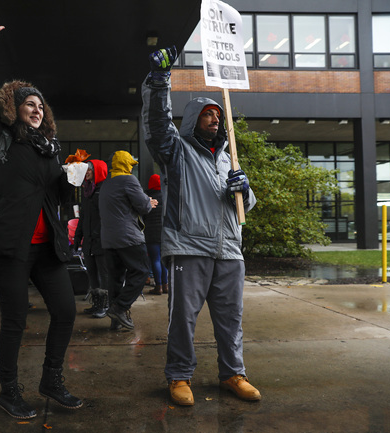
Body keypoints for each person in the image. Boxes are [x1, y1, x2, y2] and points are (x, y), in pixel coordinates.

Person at [0, 22, 82, 420]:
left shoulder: (49, 150)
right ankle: (9, 391)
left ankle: (51, 379)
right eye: (28, 103)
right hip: (8, 246)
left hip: (46, 247)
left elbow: (55, 199)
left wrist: (71, 182)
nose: (36, 109)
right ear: (14, 108)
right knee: (15, 320)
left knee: (65, 311)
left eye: (40, 105)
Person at [141, 46, 261, 405]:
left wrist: (245, 190)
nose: (214, 119)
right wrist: (160, 81)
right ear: (193, 119)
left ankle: (233, 373)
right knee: (183, 319)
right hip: (189, 248)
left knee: (231, 320)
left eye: (217, 115)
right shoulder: (176, 152)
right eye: (207, 114)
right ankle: (179, 376)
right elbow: (157, 124)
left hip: (229, 251)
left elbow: (244, 207)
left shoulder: (228, 158)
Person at [98, 150, 157, 330]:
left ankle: (115, 322)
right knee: (141, 272)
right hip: (128, 237)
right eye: (130, 165)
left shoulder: (106, 184)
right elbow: (143, 206)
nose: (131, 168)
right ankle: (119, 308)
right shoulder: (128, 180)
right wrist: (150, 202)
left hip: (108, 240)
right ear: (126, 165)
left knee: (115, 279)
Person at [73, 159, 109, 318]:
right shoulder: (87, 191)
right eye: (85, 170)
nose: (86, 173)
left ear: (98, 171)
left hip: (100, 242)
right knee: (92, 274)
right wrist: (77, 237)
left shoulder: (103, 192)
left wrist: (95, 234)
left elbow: (104, 219)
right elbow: (83, 218)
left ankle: (105, 306)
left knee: (103, 275)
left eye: (89, 170)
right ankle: (96, 304)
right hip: (88, 242)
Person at [144, 174, 168, 295]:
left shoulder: (146, 198)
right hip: (164, 233)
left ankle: (158, 286)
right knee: (164, 259)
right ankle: (166, 285)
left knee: (155, 259)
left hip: (151, 233)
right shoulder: (166, 196)